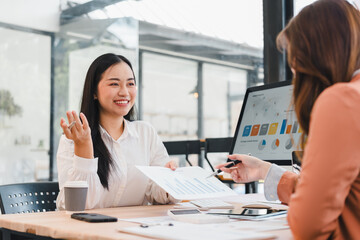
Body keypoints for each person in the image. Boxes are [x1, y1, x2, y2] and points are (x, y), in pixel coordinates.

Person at [216, 0, 360, 239]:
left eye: (295, 60)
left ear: (315, 57)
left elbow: (308, 224)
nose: (294, 70)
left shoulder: (343, 99)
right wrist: (264, 170)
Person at [56, 53, 177, 210]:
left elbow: (156, 194)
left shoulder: (146, 133)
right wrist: (84, 146)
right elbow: (77, 205)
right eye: (114, 84)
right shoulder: (73, 139)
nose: (124, 92)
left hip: (134, 229)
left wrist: (168, 179)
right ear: (94, 92)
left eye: (130, 84)